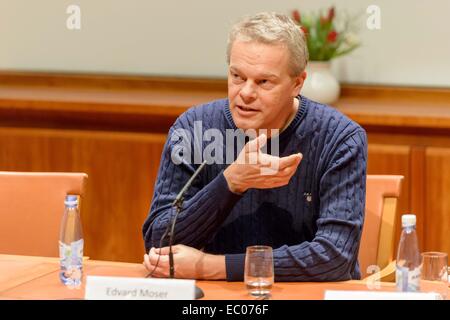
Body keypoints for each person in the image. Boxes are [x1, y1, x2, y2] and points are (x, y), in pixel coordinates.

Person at [142, 12, 367, 282]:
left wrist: (214, 266)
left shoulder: (339, 138)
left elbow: (335, 258)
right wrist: (230, 183)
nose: (246, 93)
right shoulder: (194, 128)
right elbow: (159, 241)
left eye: (263, 82)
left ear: (297, 83)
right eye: (237, 76)